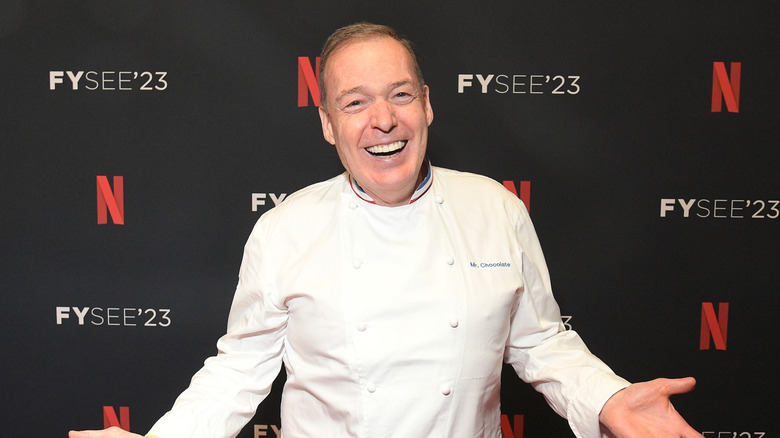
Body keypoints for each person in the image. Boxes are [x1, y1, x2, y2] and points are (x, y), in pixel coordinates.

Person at [70, 23, 704, 438]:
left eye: (400, 95)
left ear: (427, 104)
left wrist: (609, 398)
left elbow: (539, 342)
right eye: (355, 102)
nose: (382, 120)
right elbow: (239, 370)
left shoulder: (495, 208)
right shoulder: (284, 230)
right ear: (327, 124)